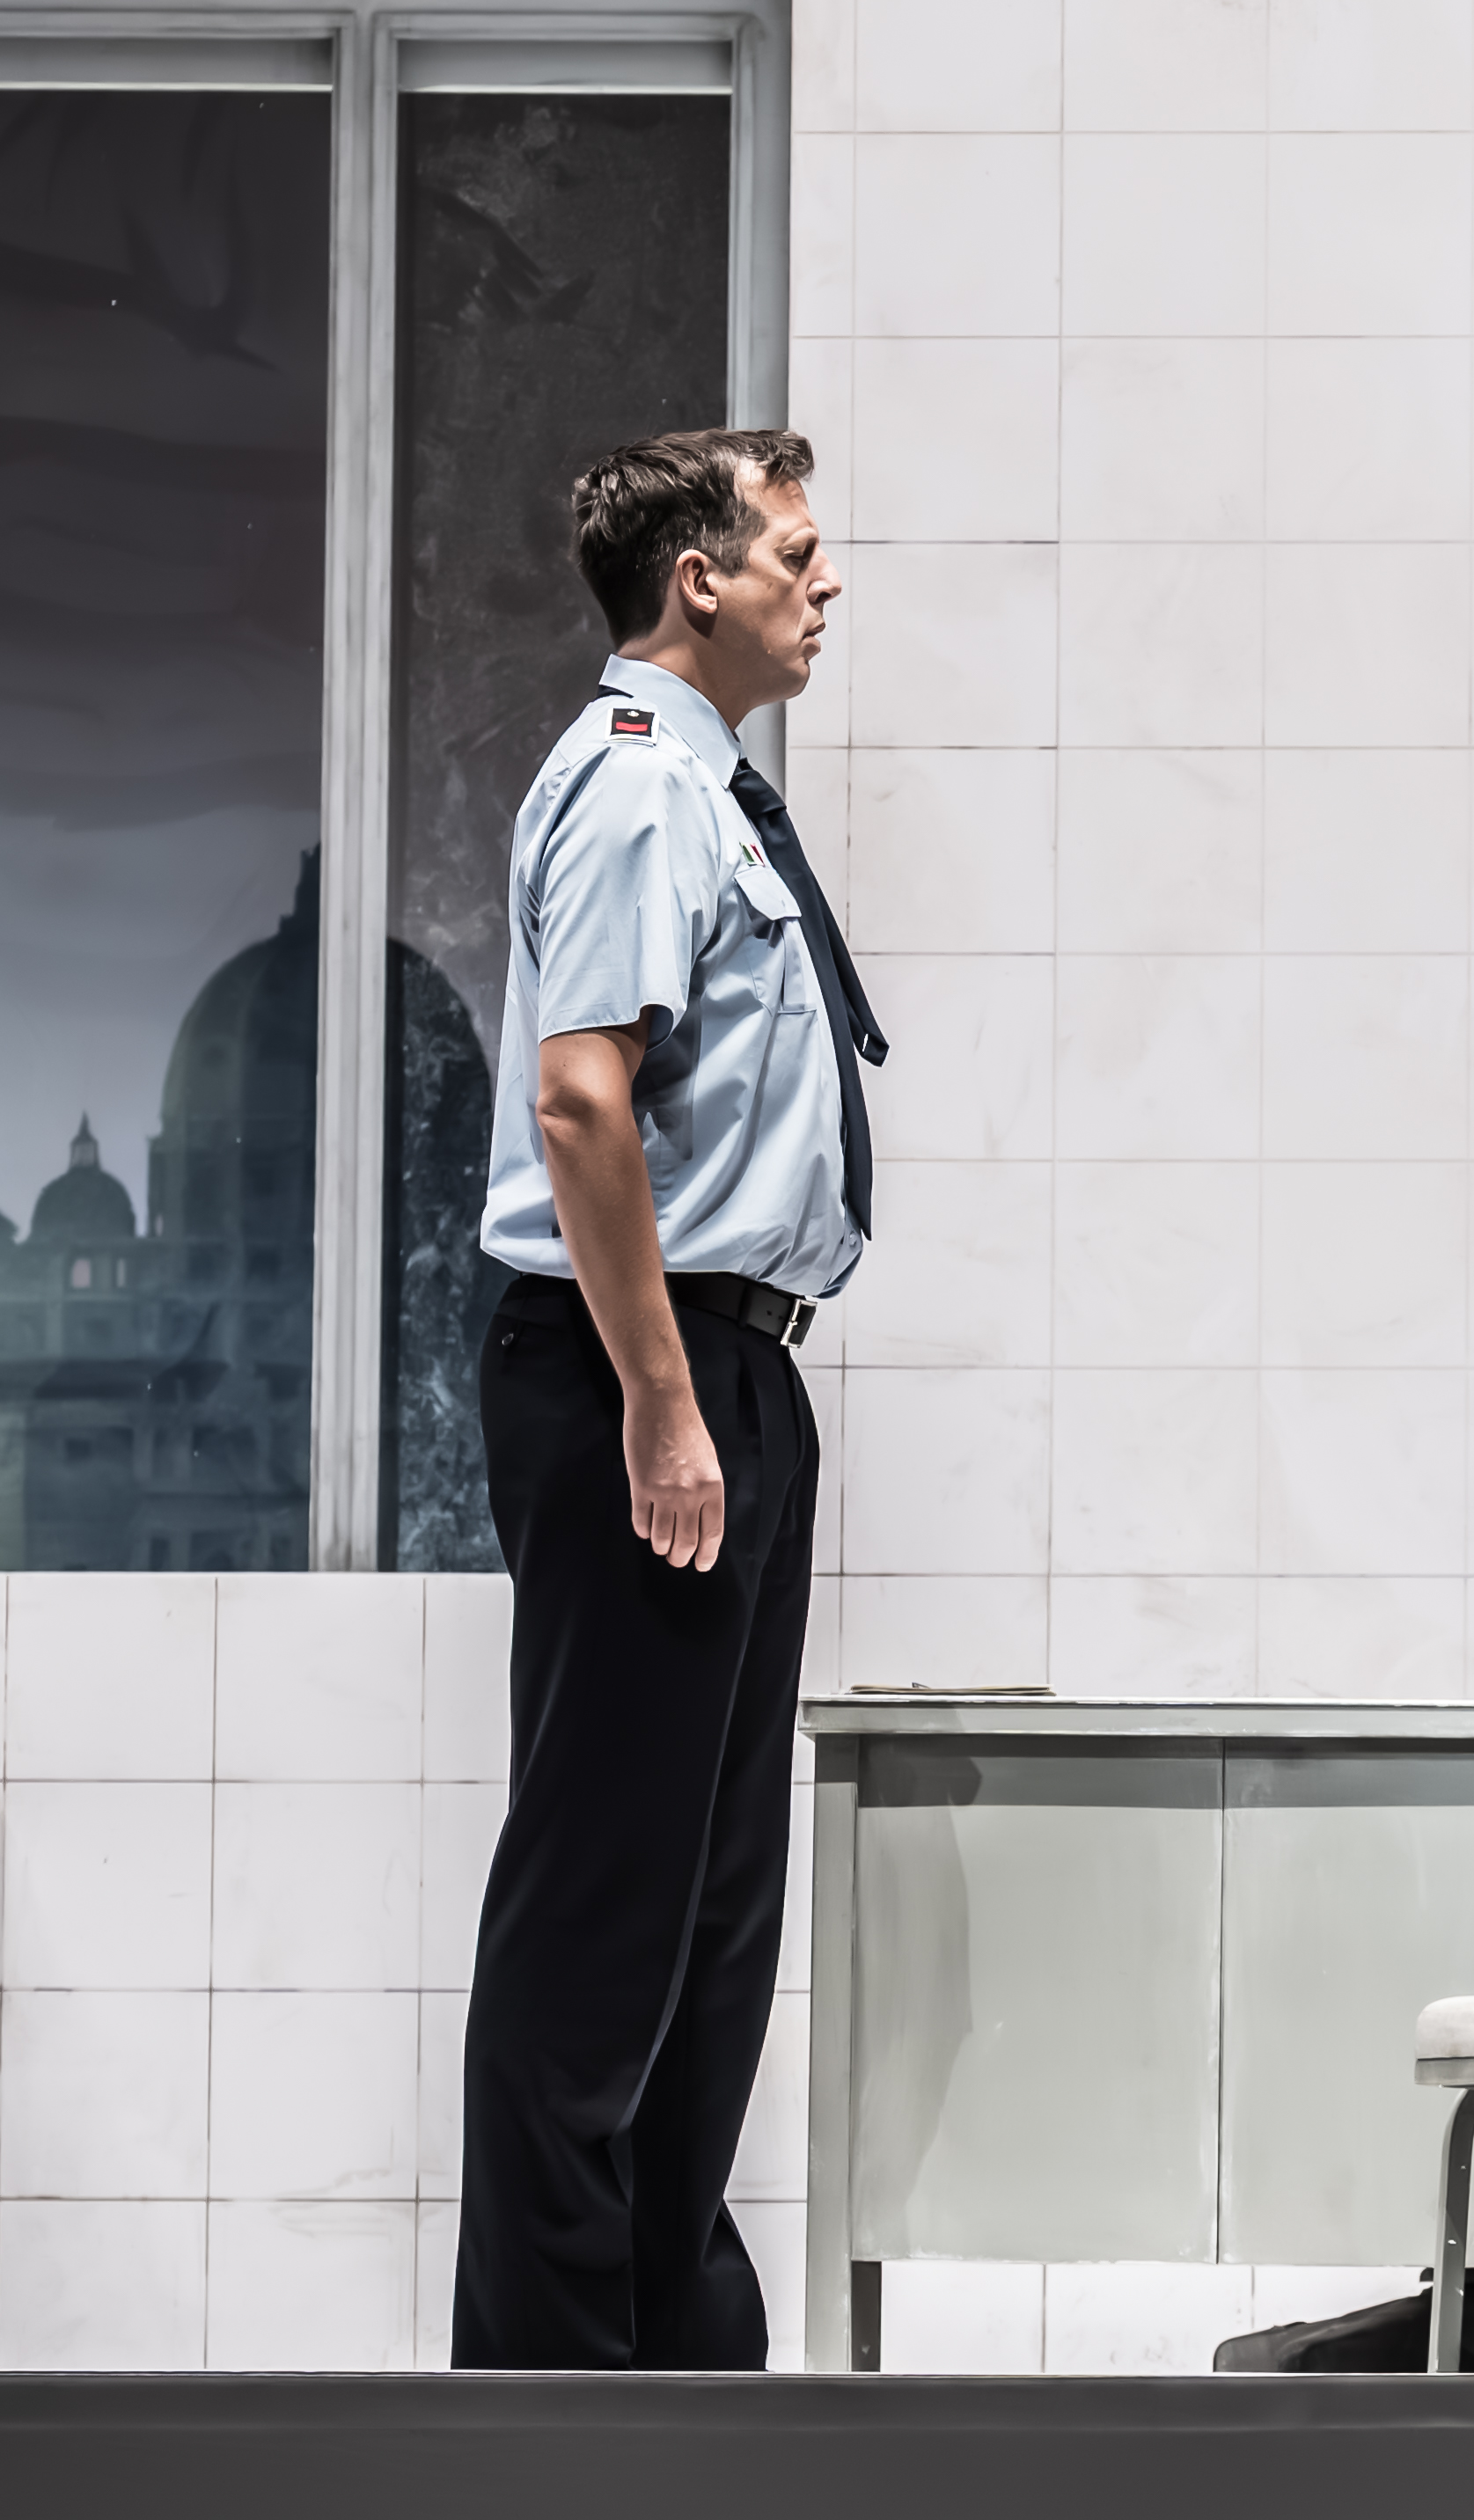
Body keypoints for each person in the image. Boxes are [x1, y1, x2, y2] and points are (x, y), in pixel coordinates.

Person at [451, 429, 882, 2369]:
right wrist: (656, 1395)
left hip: (725, 1361)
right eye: (795, 548)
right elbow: (578, 1100)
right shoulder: (636, 791)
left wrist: (708, 1391)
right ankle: (551, 2373)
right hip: (647, 1360)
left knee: (710, 1896)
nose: (826, 579)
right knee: (609, 1885)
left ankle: (666, 2343)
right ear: (695, 578)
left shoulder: (708, 797)